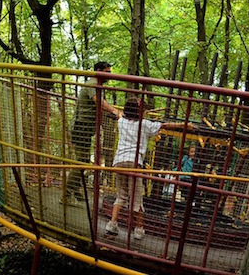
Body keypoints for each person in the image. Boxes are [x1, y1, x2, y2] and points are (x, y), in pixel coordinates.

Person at [105, 98, 194, 239]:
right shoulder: (145, 124)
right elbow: (165, 125)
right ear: (140, 112)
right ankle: (139, 229)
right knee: (137, 199)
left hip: (119, 162)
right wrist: (185, 125)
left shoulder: (121, 121)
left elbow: (117, 113)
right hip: (134, 163)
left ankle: (112, 223)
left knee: (121, 195)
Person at [63, 61, 122, 207]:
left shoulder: (98, 85)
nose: (109, 75)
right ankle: (66, 195)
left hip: (86, 129)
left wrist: (112, 114)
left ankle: (75, 190)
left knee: (82, 161)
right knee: (81, 161)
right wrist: (115, 111)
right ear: (98, 70)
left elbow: (98, 106)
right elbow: (99, 102)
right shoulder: (93, 83)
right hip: (80, 128)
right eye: (107, 72)